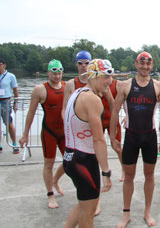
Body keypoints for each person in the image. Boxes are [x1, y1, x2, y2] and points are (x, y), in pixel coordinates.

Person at [110, 51, 160, 228]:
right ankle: (126, 213)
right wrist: (113, 136)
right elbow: (114, 111)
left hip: (149, 137)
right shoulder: (126, 85)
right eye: (142, 63)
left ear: (152, 66)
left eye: (148, 64)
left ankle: (147, 211)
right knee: (129, 176)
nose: (145, 67)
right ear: (136, 64)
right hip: (131, 137)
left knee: (149, 176)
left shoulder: (158, 86)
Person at [62, 59, 113, 228]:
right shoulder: (92, 99)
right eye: (106, 77)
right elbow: (98, 139)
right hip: (83, 160)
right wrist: (106, 172)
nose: (109, 82)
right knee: (88, 211)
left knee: (84, 204)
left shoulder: (77, 93)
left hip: (70, 156)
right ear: (93, 76)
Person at [19, 59, 67, 208]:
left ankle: (55, 180)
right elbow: (31, 113)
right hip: (49, 132)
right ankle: (50, 195)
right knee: (49, 164)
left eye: (59, 73)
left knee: (70, 161)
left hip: (64, 132)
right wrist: (25, 134)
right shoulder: (40, 89)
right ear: (48, 73)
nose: (57, 76)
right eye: (54, 73)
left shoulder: (67, 87)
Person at [62, 50, 92, 118]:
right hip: (75, 122)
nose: (83, 65)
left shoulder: (95, 82)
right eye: (80, 63)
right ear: (76, 64)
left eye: (86, 63)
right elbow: (65, 108)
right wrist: (67, 124)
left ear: (90, 64)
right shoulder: (70, 84)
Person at [0, 58, 20, 154]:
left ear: (4, 65)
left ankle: (14, 144)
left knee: (8, 123)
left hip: (6, 101)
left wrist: (16, 103)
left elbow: (15, 90)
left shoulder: (10, 76)